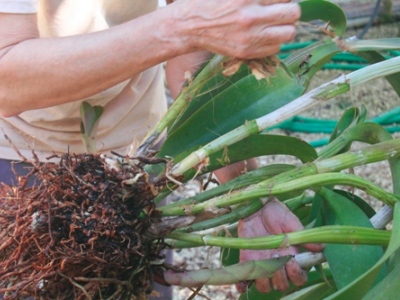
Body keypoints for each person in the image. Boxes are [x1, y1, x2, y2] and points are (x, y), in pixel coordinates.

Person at [0, 0, 323, 297]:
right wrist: (179, 26)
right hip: (24, 169)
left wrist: (249, 196)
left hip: (140, 168)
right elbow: (8, 81)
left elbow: (193, 59)